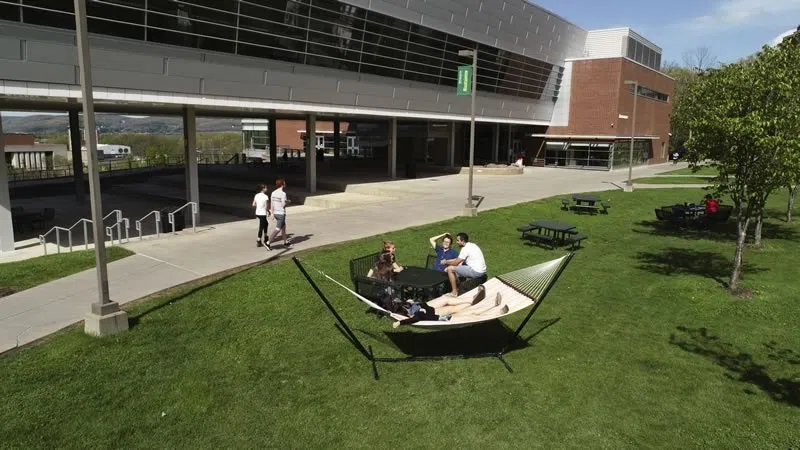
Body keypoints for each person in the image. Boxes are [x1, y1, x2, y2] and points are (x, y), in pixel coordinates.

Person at [440, 232, 487, 297]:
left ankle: (454, 292)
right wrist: (447, 261)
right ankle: (459, 286)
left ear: (462, 241)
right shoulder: (472, 245)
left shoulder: (465, 249)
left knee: (450, 269)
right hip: (482, 271)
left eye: (457, 240)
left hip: (476, 271)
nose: (456, 242)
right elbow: (458, 259)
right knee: (460, 266)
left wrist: (445, 262)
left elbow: (456, 263)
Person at [265, 178, 291, 250]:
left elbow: (272, 204)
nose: (285, 184)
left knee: (283, 227)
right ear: (282, 184)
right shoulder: (283, 194)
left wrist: (272, 213)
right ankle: (268, 243)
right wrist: (288, 202)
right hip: (281, 213)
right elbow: (283, 205)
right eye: (284, 183)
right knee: (278, 229)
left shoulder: (273, 193)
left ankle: (285, 241)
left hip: (276, 213)